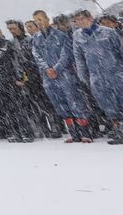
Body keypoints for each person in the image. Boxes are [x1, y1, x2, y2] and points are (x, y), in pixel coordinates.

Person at [72, 9, 123, 144]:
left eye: (83, 18)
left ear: (90, 18)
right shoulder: (77, 36)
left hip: (117, 74)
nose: (81, 22)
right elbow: (79, 57)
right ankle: (121, 134)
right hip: (97, 77)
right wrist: (84, 76)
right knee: (109, 107)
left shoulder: (108, 32)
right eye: (78, 20)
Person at [31, 12, 92, 142]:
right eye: (36, 20)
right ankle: (73, 133)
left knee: (75, 102)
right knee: (60, 104)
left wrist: (56, 68)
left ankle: (85, 132)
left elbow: (66, 54)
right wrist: (46, 68)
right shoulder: (36, 38)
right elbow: (36, 55)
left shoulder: (61, 35)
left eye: (40, 19)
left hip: (65, 75)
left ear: (47, 19)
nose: (39, 22)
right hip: (48, 76)